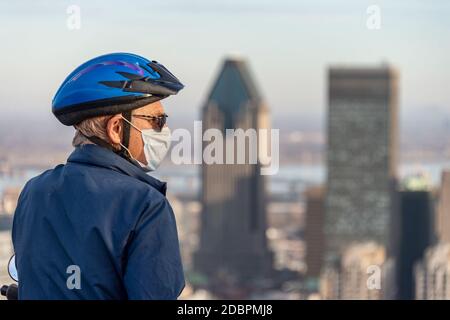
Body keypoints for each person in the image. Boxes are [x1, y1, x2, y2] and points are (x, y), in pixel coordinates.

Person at [11, 53, 185, 299]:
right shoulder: (145, 206)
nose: (165, 130)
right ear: (116, 129)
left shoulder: (34, 191)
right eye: (157, 120)